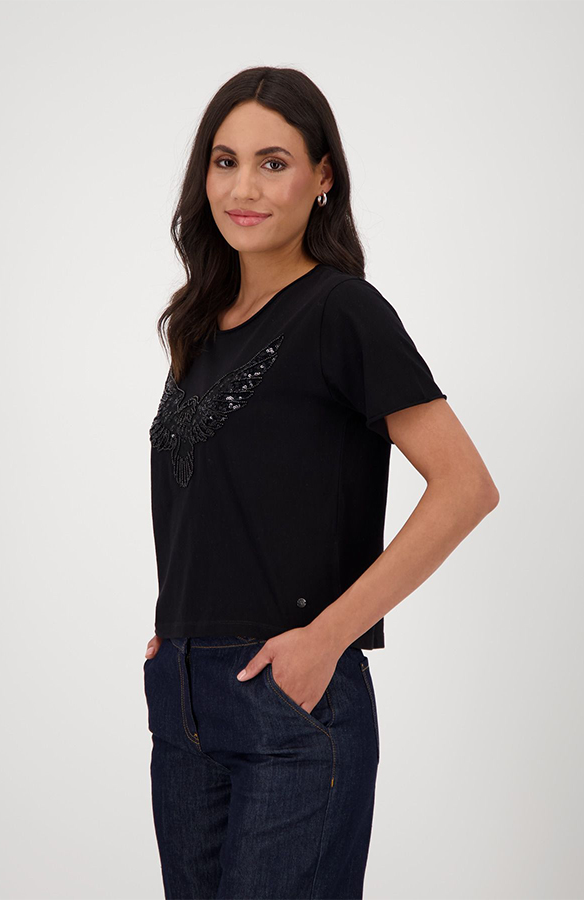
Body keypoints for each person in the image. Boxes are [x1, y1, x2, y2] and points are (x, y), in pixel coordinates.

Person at [142, 66, 499, 900]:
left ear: (323, 176)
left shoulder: (342, 311)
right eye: (225, 161)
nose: (244, 188)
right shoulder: (198, 326)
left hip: (290, 704)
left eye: (274, 163)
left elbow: (465, 486)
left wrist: (326, 639)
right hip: (184, 701)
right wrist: (176, 632)